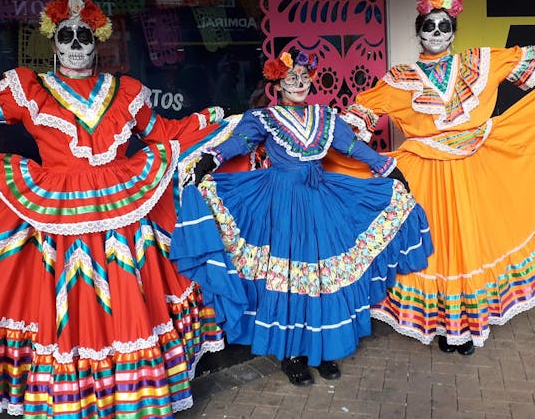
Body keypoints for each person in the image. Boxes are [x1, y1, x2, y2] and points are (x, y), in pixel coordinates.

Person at [0, 0, 232, 417]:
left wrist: (212, 121)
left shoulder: (127, 91)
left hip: (126, 204)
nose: (73, 43)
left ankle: (133, 394)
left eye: (82, 34)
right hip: (57, 209)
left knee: (131, 295)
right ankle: (79, 397)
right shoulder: (32, 90)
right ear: (53, 43)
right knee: (64, 300)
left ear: (96, 40)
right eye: (65, 35)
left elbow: (163, 132)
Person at [346, 0, 535, 355]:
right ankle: (446, 326)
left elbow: (526, 58)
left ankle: (468, 326)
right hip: (426, 173)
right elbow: (362, 112)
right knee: (437, 248)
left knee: (474, 245)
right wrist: (321, 134)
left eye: (443, 27)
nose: (436, 33)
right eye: (429, 27)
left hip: (477, 164)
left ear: (452, 33)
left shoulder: (479, 61)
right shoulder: (400, 78)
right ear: (419, 32)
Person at [169, 48, 434, 386]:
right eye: (290, 77)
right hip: (281, 203)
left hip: (320, 199)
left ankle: (321, 351)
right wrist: (209, 160)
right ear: (276, 83)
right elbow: (239, 143)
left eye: (304, 77)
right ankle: (292, 354)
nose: (298, 82)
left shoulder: (325, 117)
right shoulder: (264, 118)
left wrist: (388, 168)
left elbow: (351, 147)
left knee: (323, 276)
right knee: (292, 278)